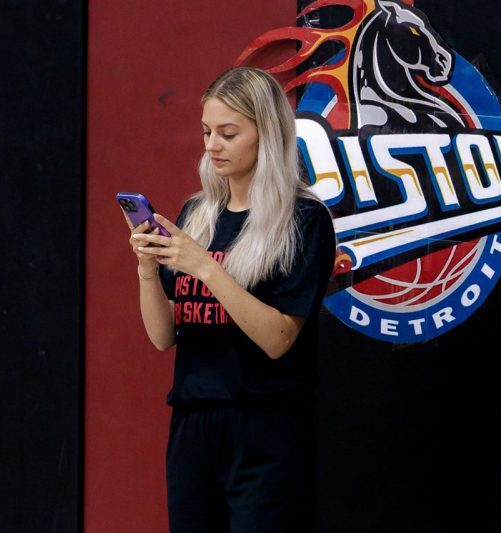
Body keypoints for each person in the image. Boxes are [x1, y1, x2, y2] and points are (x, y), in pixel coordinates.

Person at [126, 66, 336, 533]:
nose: (212, 145)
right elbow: (163, 337)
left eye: (228, 133)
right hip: (194, 425)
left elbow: (279, 339)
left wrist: (205, 266)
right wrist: (147, 269)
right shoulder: (197, 213)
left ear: (267, 134)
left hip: (266, 428)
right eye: (207, 132)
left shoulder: (304, 220)